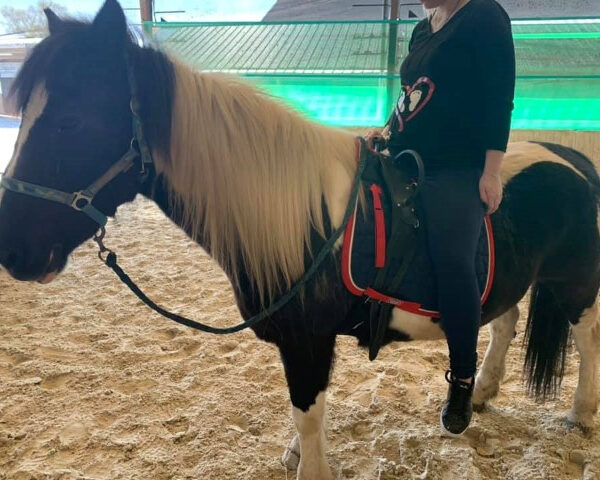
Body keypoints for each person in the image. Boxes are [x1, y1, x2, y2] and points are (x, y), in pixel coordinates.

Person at [368, 0, 515, 436]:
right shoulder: (423, 27)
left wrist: (490, 172)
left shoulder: (486, 15)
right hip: (407, 156)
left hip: (457, 166)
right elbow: (412, 97)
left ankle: (463, 379)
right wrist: (387, 131)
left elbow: (499, 97)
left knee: (454, 261)